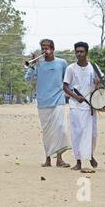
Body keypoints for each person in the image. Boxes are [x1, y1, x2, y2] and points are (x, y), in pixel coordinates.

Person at [24, 39, 71, 168]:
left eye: (47, 48)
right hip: (43, 102)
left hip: (58, 101)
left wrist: (73, 94)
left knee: (60, 129)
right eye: (43, 48)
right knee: (47, 132)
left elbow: (67, 81)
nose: (45, 51)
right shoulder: (38, 64)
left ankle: (60, 159)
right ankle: (48, 159)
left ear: (53, 49)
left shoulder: (62, 63)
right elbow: (27, 79)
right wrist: (32, 64)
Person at [63, 41, 101, 172]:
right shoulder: (70, 68)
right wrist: (75, 97)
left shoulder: (94, 67)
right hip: (76, 105)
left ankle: (90, 155)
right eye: (77, 51)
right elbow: (65, 86)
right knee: (77, 133)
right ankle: (78, 160)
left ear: (86, 52)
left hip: (90, 105)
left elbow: (101, 82)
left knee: (92, 133)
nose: (79, 54)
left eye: (82, 51)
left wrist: (98, 82)